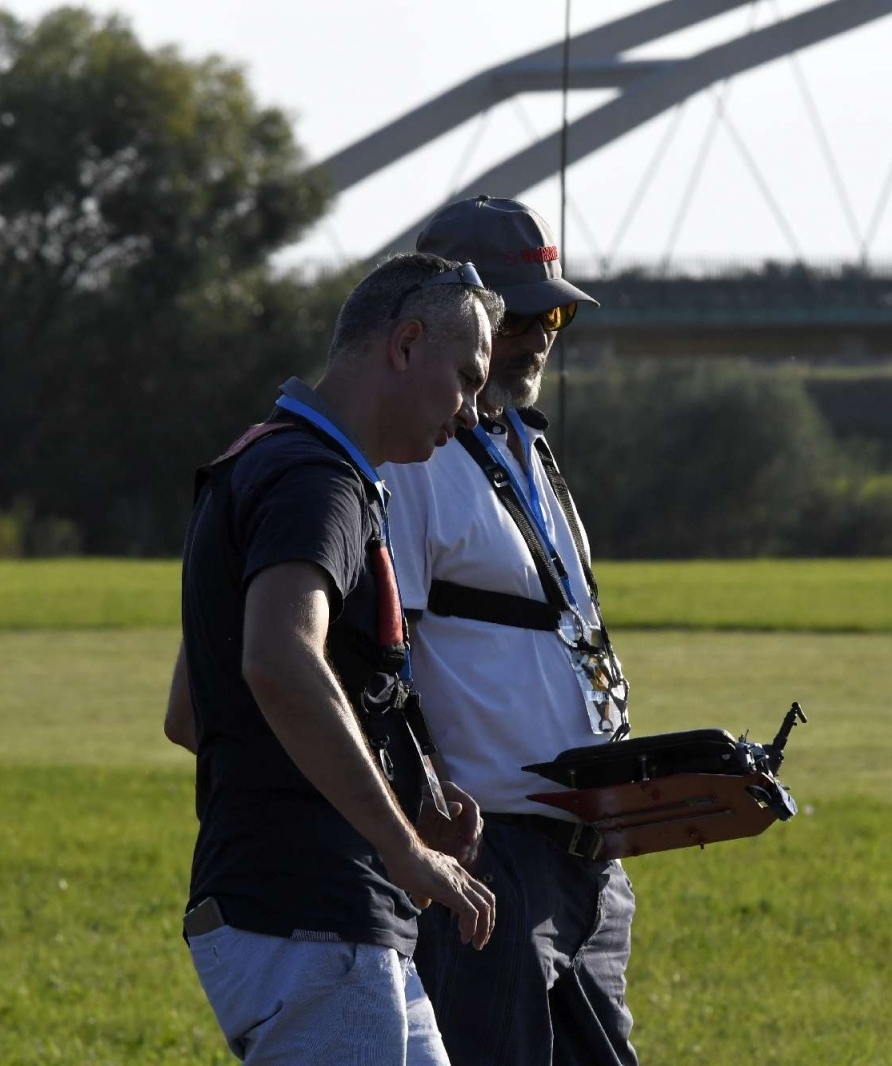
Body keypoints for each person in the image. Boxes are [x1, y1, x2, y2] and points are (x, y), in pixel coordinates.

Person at [163, 252, 503, 1065]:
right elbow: (279, 660)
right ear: (406, 343)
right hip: (313, 917)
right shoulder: (320, 481)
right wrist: (405, 847)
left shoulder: (263, 459)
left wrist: (403, 790)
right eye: (465, 377)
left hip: (313, 913)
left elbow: (192, 714)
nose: (472, 413)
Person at [378, 196, 639, 1066]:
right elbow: (389, 660)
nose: (540, 335)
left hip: (588, 851)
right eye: (520, 315)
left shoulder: (528, 448)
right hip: (492, 850)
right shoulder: (413, 462)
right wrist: (426, 812)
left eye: (554, 312)